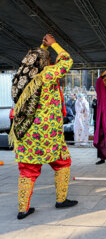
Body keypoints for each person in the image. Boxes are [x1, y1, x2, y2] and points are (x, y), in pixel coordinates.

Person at [9, 34, 78, 220]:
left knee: (27, 171)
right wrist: (54, 44)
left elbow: (38, 57)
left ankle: (23, 209)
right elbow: (67, 61)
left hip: (25, 133)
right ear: (45, 63)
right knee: (62, 162)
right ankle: (61, 200)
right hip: (47, 133)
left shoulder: (22, 77)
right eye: (47, 60)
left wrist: (43, 47)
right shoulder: (46, 75)